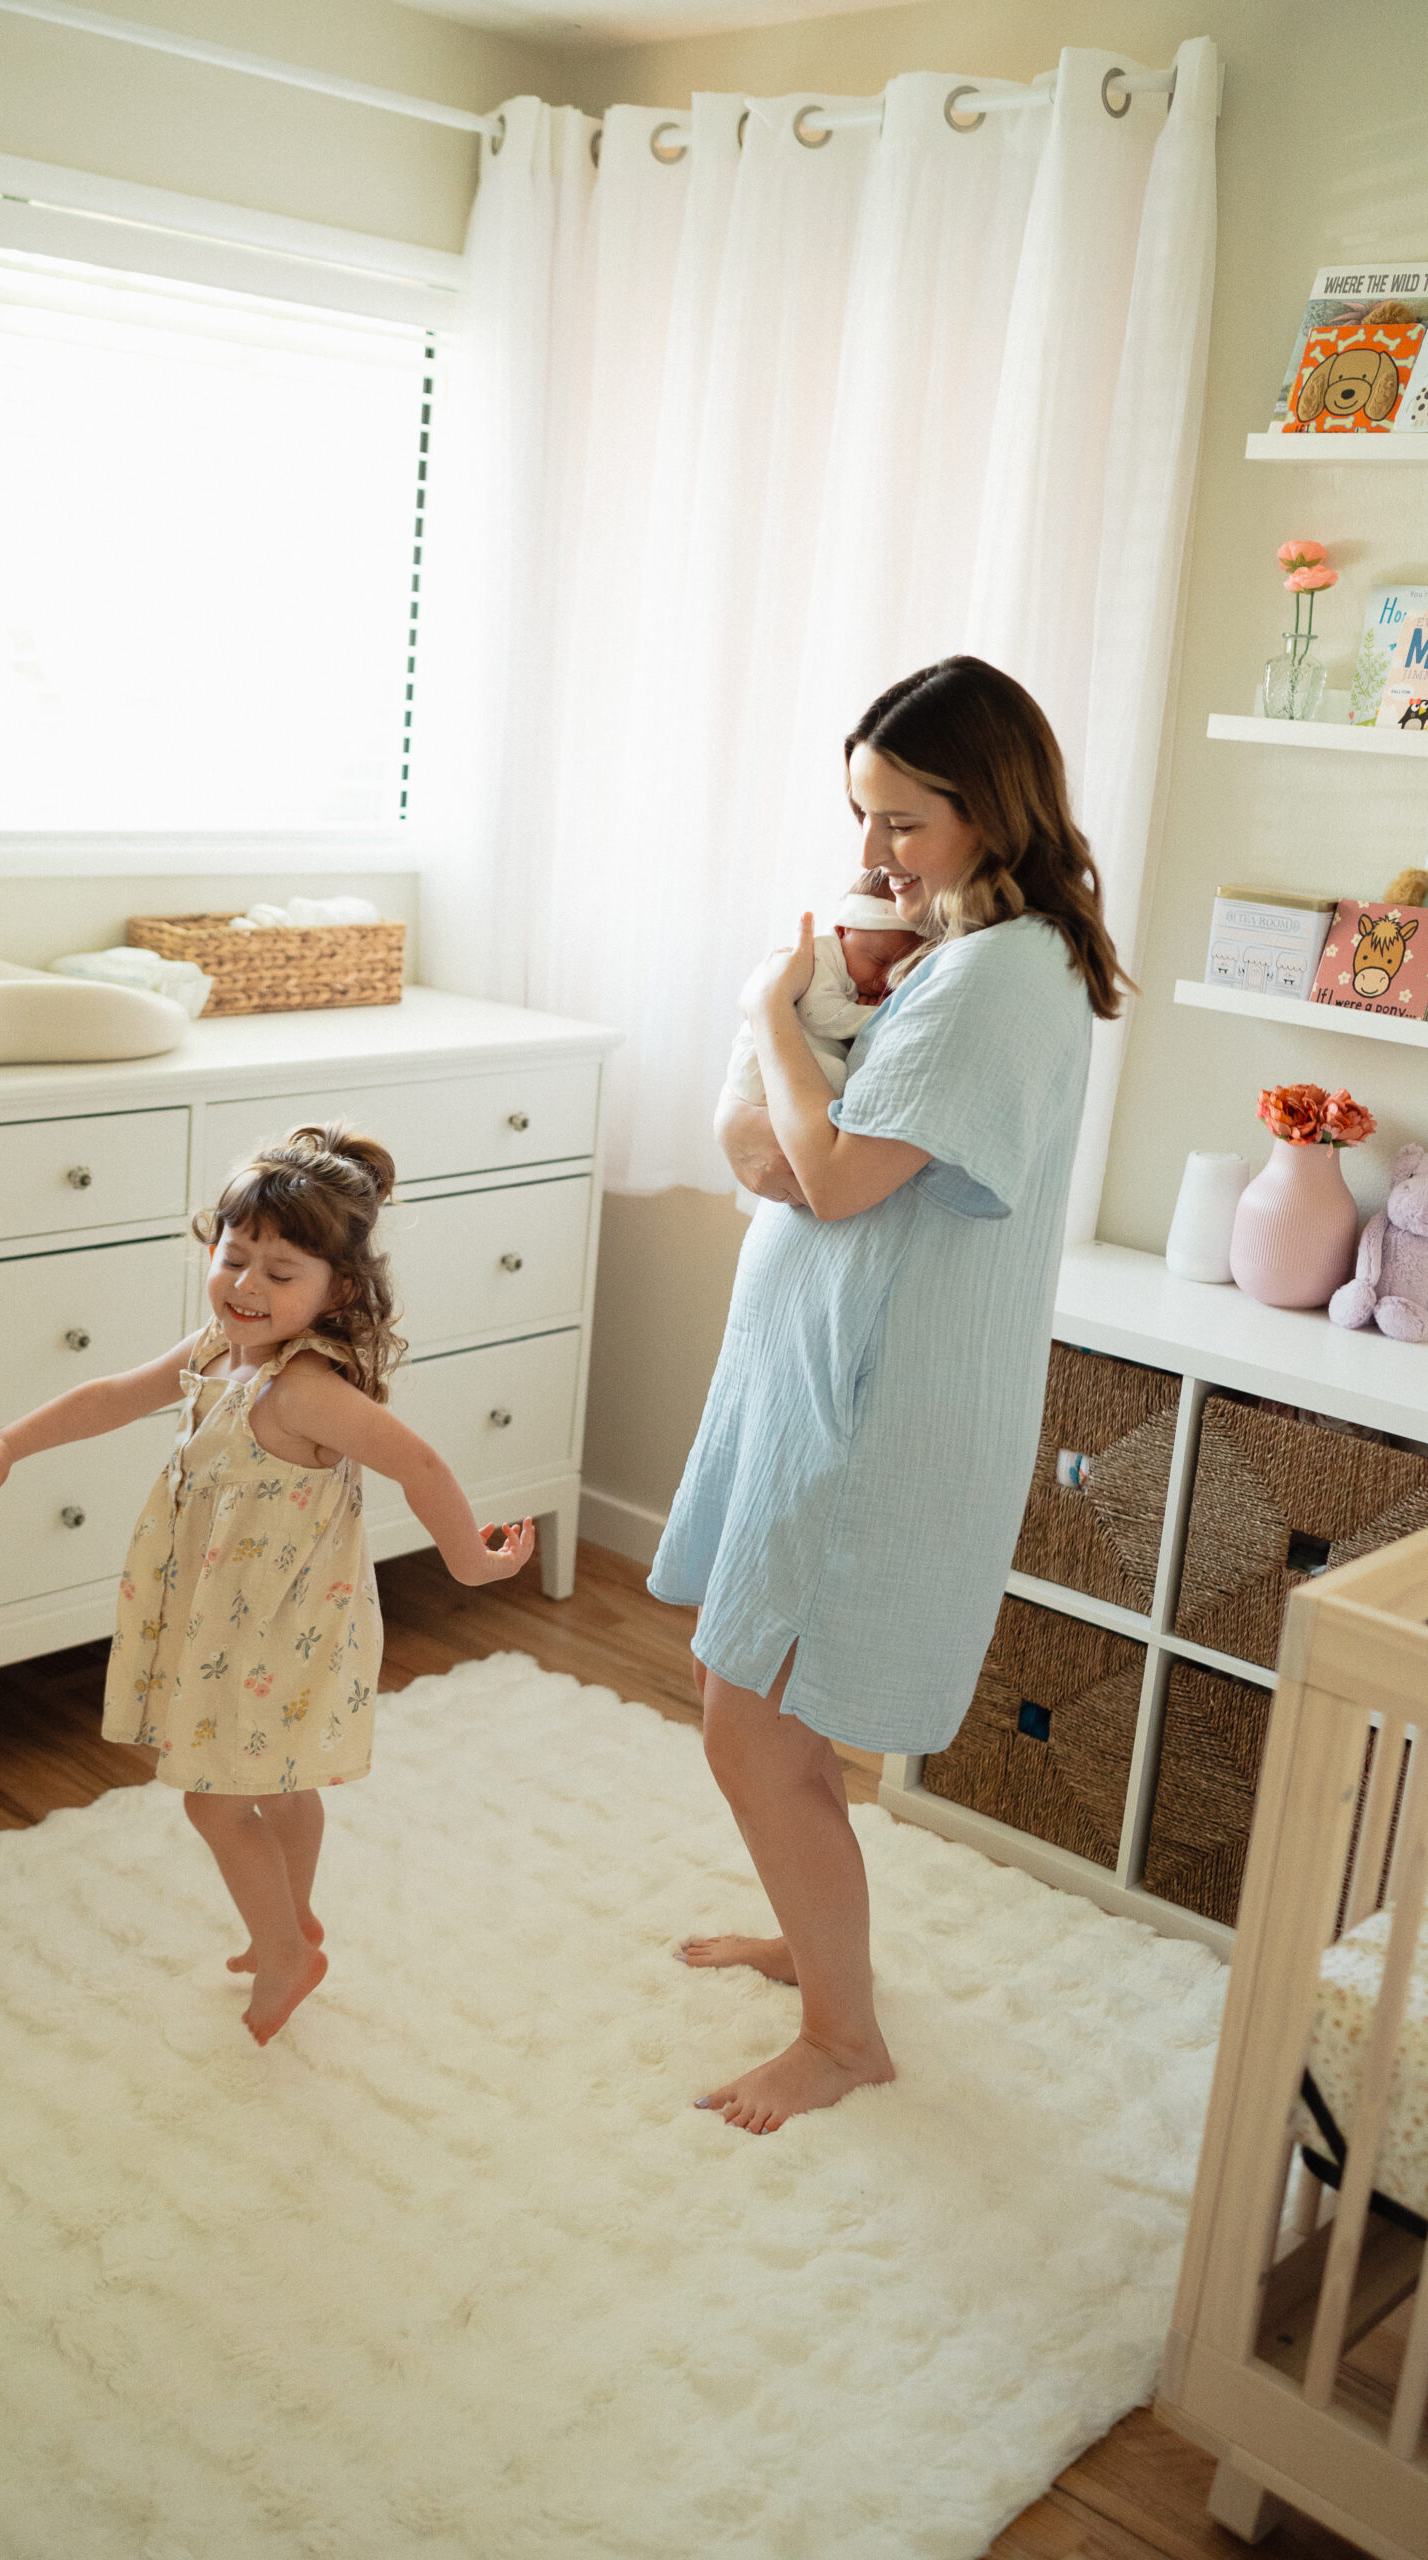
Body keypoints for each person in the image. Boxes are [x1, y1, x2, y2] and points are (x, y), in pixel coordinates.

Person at [650, 655, 1126, 2134]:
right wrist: (804, 1048)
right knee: (758, 1712)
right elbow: (770, 1153)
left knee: (755, 1727)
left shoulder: (998, 975)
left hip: (866, 1415)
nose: (872, 858)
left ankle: (843, 2039)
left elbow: (838, 1180)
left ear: (990, 810)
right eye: (861, 821)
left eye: (902, 826)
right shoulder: (953, 954)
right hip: (817, 1387)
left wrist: (767, 1016)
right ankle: (816, 1952)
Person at [0, 1125, 534, 2046]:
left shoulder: (305, 1392)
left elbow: (418, 1463)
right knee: (282, 1787)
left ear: (338, 1290)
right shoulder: (215, 1352)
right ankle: (287, 1927)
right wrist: (9, 1443)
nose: (246, 1287)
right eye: (234, 1259)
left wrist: (466, 1559)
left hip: (276, 1628)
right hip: (223, 1617)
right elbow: (109, 1395)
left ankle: (286, 1950)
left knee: (215, 1799)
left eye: (280, 1271)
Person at [723, 872, 925, 1104]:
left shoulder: (858, 976)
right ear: (842, 931)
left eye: (898, 969)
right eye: (878, 961)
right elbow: (816, 1013)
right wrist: (876, 1014)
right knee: (843, 1081)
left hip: (783, 1067)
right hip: (758, 1061)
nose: (887, 980)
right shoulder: (822, 954)